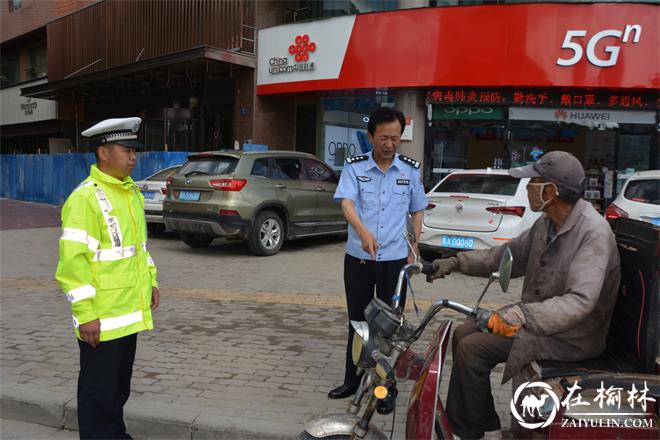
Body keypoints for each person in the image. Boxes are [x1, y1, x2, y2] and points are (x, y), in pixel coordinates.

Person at [426, 151, 620, 439]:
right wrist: (456, 262)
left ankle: (469, 429)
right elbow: (506, 257)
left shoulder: (593, 232)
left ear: (552, 191)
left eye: (534, 181)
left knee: (472, 348)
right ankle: (474, 420)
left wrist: (521, 315)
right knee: (464, 331)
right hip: (540, 320)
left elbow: (579, 301)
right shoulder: (546, 223)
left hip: (571, 335)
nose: (528, 187)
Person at [55, 117, 159, 439]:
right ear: (103, 152)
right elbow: (73, 264)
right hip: (100, 320)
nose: (133, 156)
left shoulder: (130, 194)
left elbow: (137, 250)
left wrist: (151, 282)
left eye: (134, 150)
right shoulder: (85, 199)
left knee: (117, 392)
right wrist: (86, 315)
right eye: (126, 149)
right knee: (98, 395)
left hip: (128, 313)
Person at [330, 107, 428, 414]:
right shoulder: (354, 167)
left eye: (395, 138)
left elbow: (417, 209)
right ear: (371, 136)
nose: (390, 144)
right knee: (358, 323)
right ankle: (352, 379)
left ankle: (386, 389)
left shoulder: (410, 170)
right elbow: (346, 202)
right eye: (384, 137)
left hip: (395, 261)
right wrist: (362, 231)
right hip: (359, 258)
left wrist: (415, 247)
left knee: (389, 328)